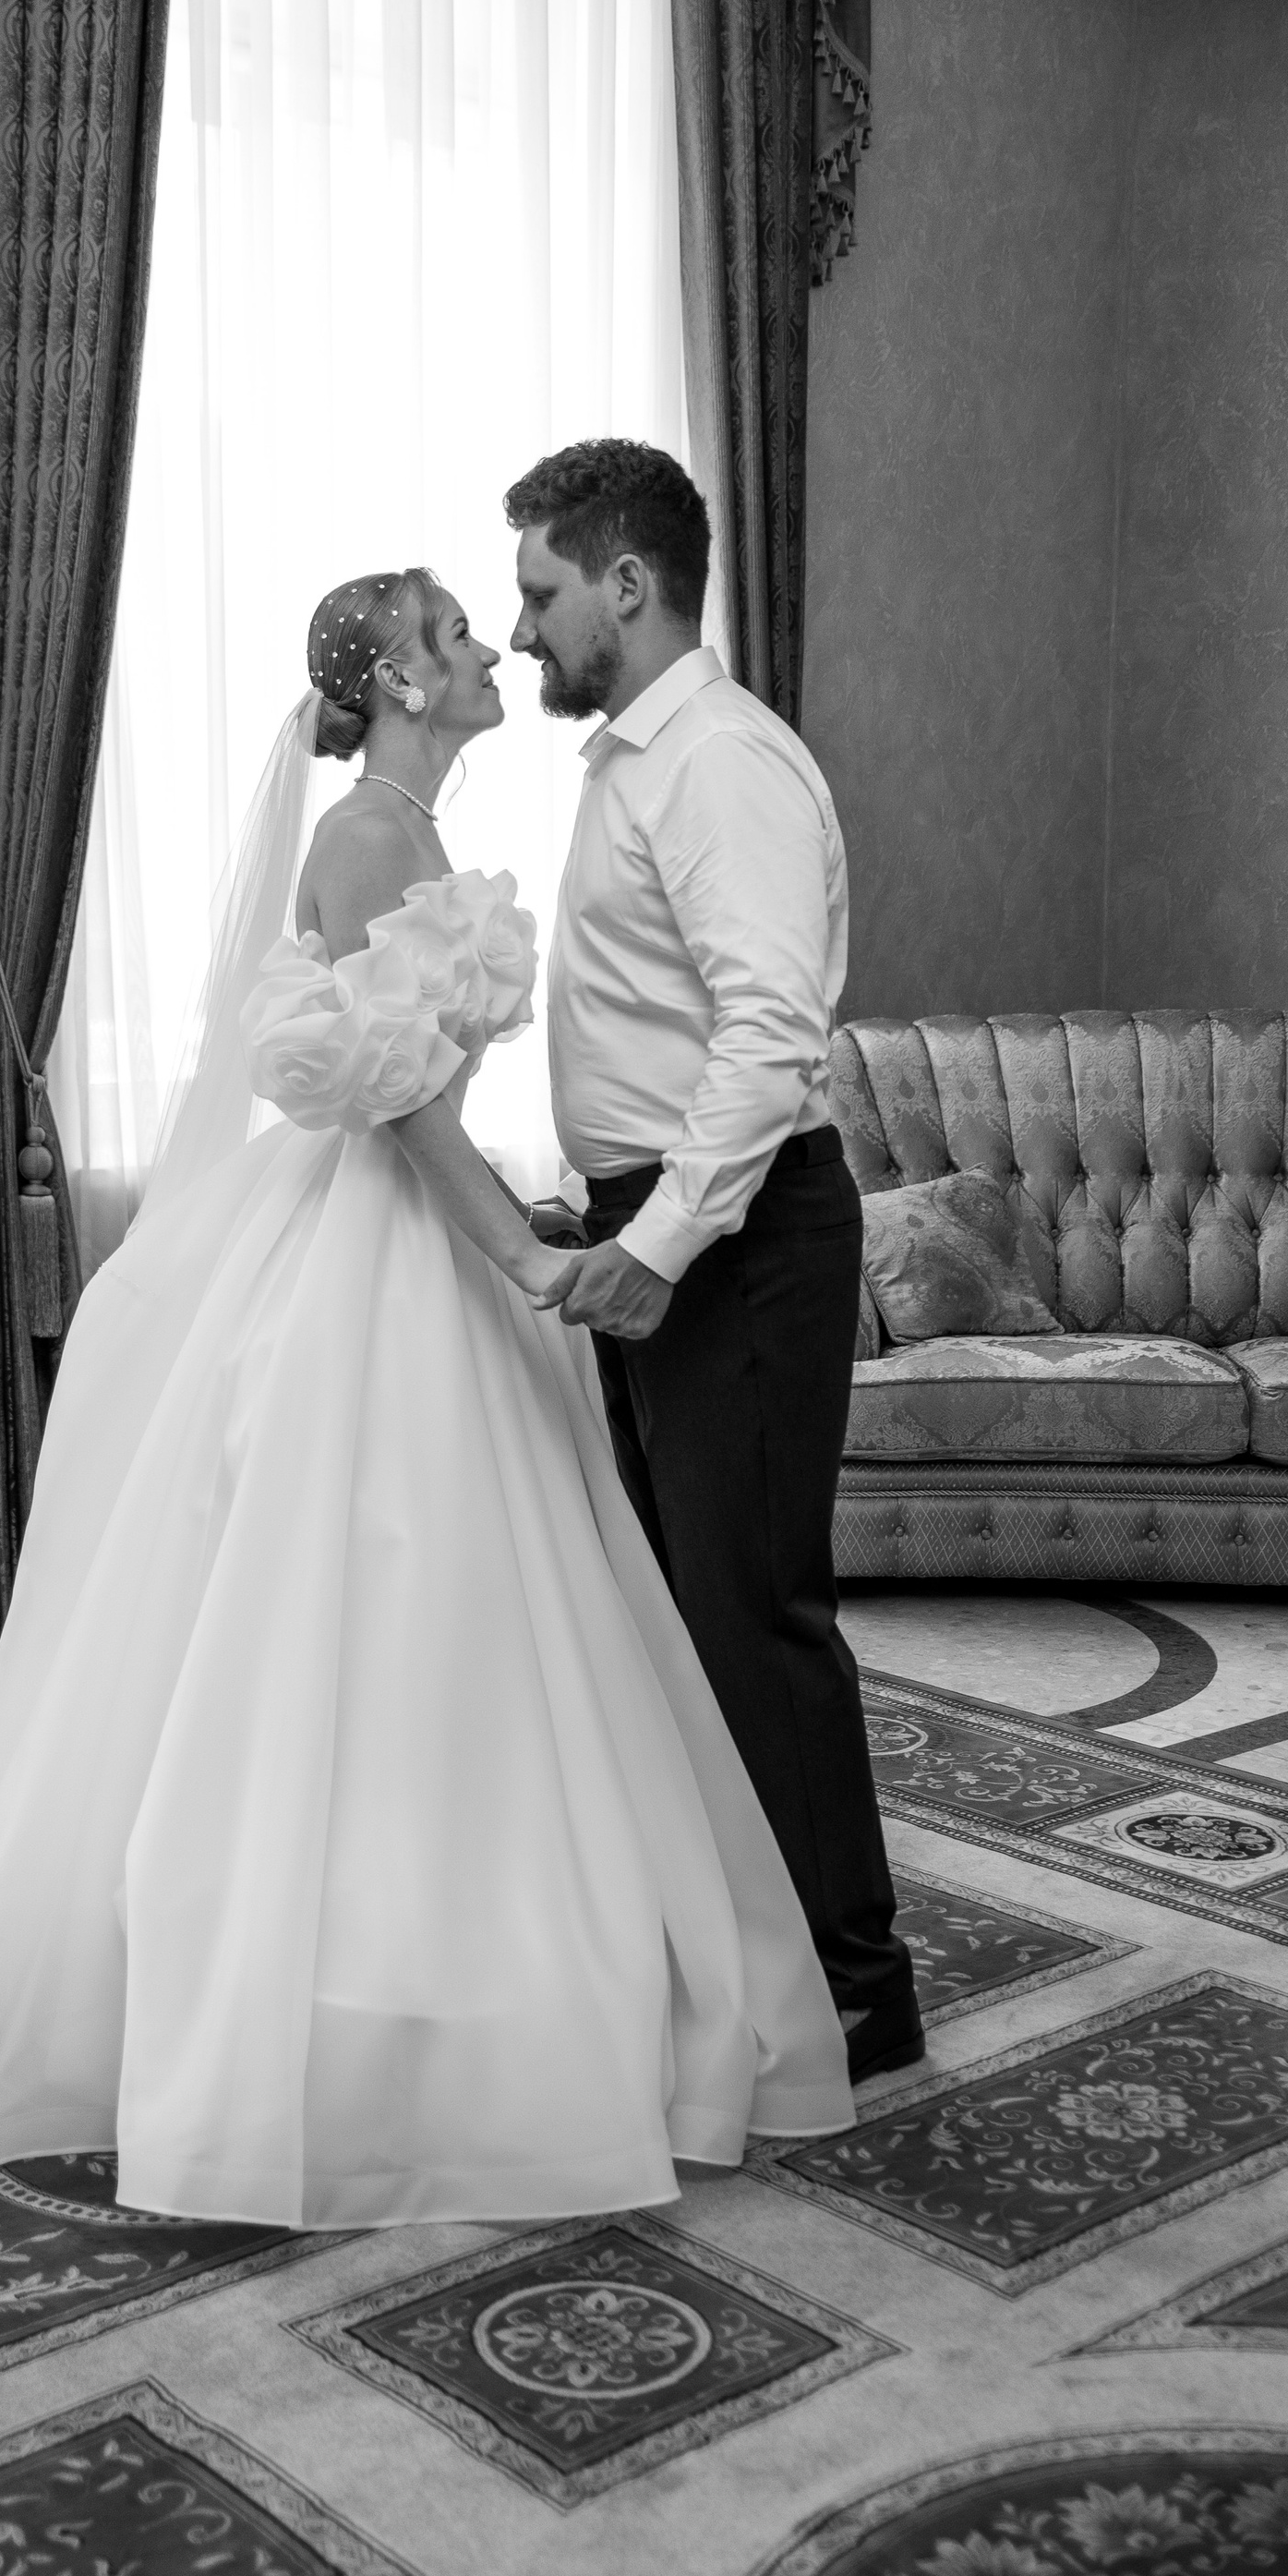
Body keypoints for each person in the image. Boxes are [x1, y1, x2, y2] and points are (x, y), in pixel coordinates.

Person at [0, 564, 852, 2229]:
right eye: (457, 632)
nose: (491, 646)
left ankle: (477, 1939)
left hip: (431, 1228)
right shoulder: (365, 836)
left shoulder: (410, 830)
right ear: (403, 683)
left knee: (483, 1612)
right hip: (380, 1243)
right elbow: (404, 1100)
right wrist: (520, 1249)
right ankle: (343, 1983)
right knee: (365, 1589)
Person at [506, 440, 921, 2083]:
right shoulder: (634, 759)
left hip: (739, 1240)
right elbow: (660, 1024)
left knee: (753, 1613)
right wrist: (607, 1210)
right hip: (667, 1222)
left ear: (627, 583)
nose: (525, 628)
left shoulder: (721, 763)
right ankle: (746, 1957)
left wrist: (665, 1239)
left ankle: (855, 1991)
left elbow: (768, 1034)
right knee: (687, 1615)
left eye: (542, 591)